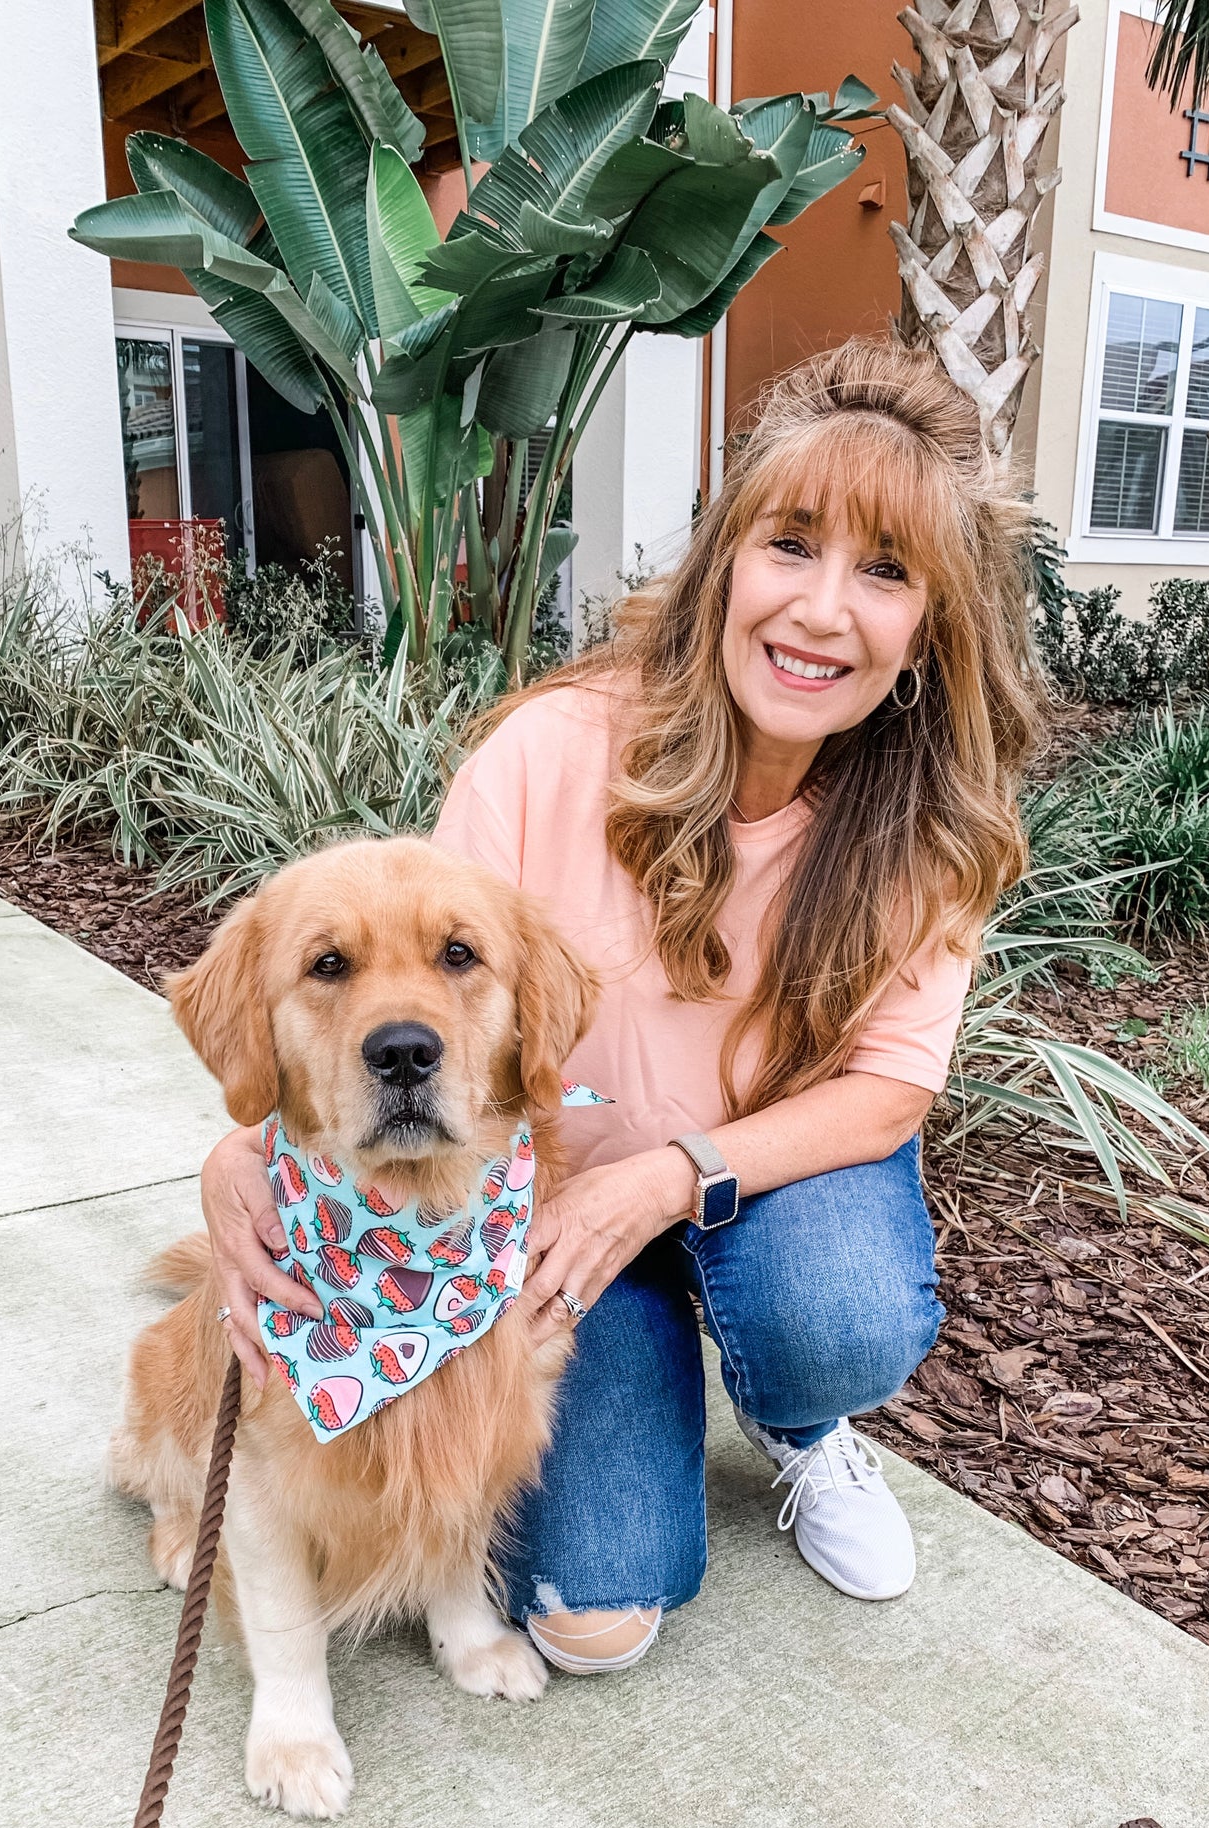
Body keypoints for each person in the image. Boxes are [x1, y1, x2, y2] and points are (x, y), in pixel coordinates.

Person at [200, 337, 1043, 1677]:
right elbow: (405, 985)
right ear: (723, 565)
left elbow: (889, 1089)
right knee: (593, 1623)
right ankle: (645, 1353)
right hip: (539, 1213)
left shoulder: (927, 832)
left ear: (932, 628)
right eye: (791, 544)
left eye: (885, 572)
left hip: (761, 1190)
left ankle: (796, 1421)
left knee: (836, 1317)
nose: (823, 610)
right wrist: (237, 1153)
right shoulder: (548, 752)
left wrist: (666, 1181)